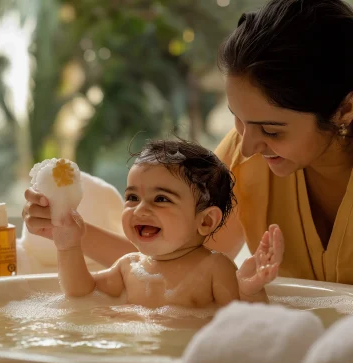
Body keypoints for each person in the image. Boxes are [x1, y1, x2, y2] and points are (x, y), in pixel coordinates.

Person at [23, 0, 353, 289]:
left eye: (271, 130)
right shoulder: (244, 154)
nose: (249, 146)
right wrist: (64, 228)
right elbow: (174, 262)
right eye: (238, 118)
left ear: (345, 109)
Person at [49, 139, 283, 307]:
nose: (140, 209)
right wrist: (68, 246)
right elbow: (79, 292)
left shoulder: (214, 268)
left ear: (206, 220)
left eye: (161, 199)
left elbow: (241, 324)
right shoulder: (129, 267)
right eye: (132, 197)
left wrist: (250, 291)